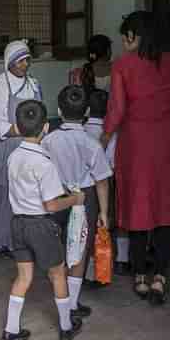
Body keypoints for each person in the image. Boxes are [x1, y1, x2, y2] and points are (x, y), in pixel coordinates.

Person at [102, 11, 170, 305]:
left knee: (138, 207)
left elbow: (117, 111)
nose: (123, 42)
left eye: (125, 36)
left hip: (137, 147)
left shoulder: (123, 66)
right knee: (166, 208)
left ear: (135, 36)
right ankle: (160, 276)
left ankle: (140, 276)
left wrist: (102, 139)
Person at [1, 100, 84, 340]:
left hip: (17, 224)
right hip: (40, 225)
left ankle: (11, 329)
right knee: (58, 273)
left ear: (17, 126)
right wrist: (75, 199)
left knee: (23, 277)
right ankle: (67, 326)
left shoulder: (13, 157)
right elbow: (51, 205)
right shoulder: (44, 164)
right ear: (46, 127)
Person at [41, 85, 112, 314]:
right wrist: (103, 212)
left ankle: (61, 297)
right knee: (80, 248)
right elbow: (101, 181)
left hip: (56, 197)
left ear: (60, 111)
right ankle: (71, 303)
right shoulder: (92, 143)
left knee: (60, 246)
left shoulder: (48, 140)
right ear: (87, 111)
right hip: (85, 198)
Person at [0, 40, 42, 253]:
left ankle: (25, 241)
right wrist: (27, 130)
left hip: (29, 147)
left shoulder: (33, 84)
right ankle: (3, 241)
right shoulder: (0, 85)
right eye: (19, 61)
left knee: (27, 194)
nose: (24, 65)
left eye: (27, 60)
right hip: (6, 148)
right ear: (9, 62)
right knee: (4, 197)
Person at [84, 89, 129, 276]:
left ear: (86, 109)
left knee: (88, 226)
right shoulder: (115, 131)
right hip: (110, 180)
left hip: (86, 183)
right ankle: (121, 260)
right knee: (112, 221)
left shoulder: (84, 131)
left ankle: (89, 271)